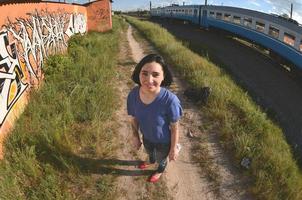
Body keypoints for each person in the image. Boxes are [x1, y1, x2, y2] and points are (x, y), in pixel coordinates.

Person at [127, 53, 182, 183]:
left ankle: (159, 170)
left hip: (164, 142)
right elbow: (133, 118)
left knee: (161, 159)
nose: (149, 79)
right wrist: (135, 135)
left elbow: (175, 128)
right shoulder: (133, 95)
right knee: (150, 153)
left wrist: (173, 148)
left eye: (155, 75)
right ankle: (150, 160)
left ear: (163, 77)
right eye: (144, 73)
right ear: (139, 73)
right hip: (146, 137)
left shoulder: (170, 101)